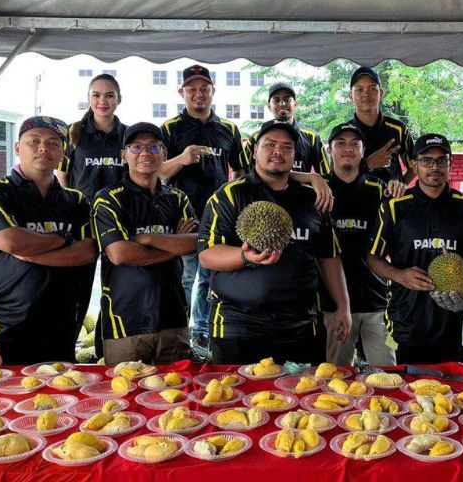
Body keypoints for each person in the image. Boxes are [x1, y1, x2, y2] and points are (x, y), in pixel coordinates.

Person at [197, 120, 351, 364]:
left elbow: (328, 256)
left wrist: (343, 306)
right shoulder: (229, 195)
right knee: (236, 399)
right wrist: (244, 256)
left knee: (300, 398)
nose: (278, 152)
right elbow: (207, 255)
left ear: (294, 155)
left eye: (287, 147)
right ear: (255, 150)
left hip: (300, 326)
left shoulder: (312, 199)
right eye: (270, 145)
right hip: (237, 325)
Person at [0, 116, 97, 364]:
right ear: (18, 148)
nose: (43, 148)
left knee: (60, 401)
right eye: (34, 141)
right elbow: (10, 241)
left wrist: (30, 251)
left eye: (53, 143)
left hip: (59, 331)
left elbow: (87, 252)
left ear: (63, 153)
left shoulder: (76, 201)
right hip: (1, 332)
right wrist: (63, 238)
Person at [367, 134, 463, 364]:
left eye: (442, 160)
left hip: (449, 322)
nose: (435, 167)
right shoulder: (394, 207)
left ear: (450, 164)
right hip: (404, 318)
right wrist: (399, 275)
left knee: (446, 390)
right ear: (414, 165)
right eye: (426, 160)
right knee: (405, 390)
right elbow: (372, 256)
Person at [92, 123, 198, 365]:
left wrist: (147, 239)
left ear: (164, 153)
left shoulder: (177, 198)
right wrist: (173, 245)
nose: (145, 153)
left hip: (173, 318)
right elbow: (120, 254)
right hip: (125, 322)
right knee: (124, 400)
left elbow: (195, 243)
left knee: (176, 396)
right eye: (136, 147)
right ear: (124, 154)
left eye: (153, 147)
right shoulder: (108, 198)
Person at [160, 65, 245, 350]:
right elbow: (158, 172)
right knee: (185, 278)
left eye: (204, 89)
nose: (199, 94)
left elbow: (242, 172)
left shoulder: (229, 129)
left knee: (211, 279)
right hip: (184, 218)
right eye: (192, 89)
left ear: (212, 92)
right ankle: (178, 333)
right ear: (181, 93)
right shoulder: (170, 129)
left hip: (220, 217)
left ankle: (203, 330)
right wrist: (182, 159)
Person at [56, 72, 126, 353]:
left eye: (109, 95)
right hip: (82, 222)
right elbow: (62, 174)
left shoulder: (127, 135)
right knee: (76, 289)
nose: (102, 101)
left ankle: (105, 348)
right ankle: (66, 346)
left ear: (118, 100)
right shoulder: (74, 133)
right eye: (96, 95)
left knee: (115, 288)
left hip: (117, 222)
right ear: (89, 98)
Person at [320, 123, 400, 366]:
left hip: (376, 300)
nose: (348, 148)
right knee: (336, 379)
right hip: (331, 303)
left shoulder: (379, 190)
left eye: (355, 143)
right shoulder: (317, 189)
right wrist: (309, 176)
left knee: (388, 374)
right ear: (328, 150)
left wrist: (401, 187)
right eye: (340, 143)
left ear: (363, 151)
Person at [240, 81, 330, 175]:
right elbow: (243, 174)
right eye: (276, 100)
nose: (282, 103)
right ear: (269, 106)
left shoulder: (312, 137)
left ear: (295, 104)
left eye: (287, 100)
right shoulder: (256, 138)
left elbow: (325, 175)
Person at [343, 66, 415, 184]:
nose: (366, 94)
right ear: (351, 96)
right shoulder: (344, 132)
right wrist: (368, 164)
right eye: (359, 90)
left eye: (372, 89)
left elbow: (414, 166)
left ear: (381, 93)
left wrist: (400, 188)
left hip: (390, 200)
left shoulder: (398, 129)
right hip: (355, 199)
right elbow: (337, 173)